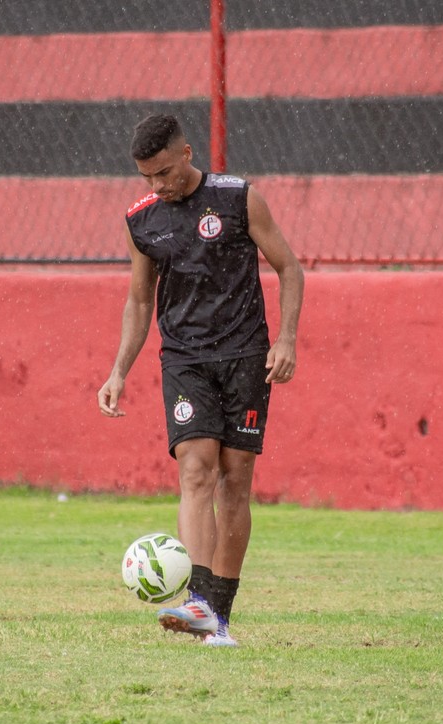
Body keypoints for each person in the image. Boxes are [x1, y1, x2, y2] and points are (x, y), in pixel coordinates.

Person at [97, 113, 304, 647]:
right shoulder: (141, 221)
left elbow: (289, 267)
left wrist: (286, 340)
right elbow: (139, 301)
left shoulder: (239, 199)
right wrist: (119, 370)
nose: (157, 185)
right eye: (146, 176)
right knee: (195, 470)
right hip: (184, 359)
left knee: (235, 480)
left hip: (246, 355)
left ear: (187, 154)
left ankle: (220, 617)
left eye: (164, 172)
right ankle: (198, 604)